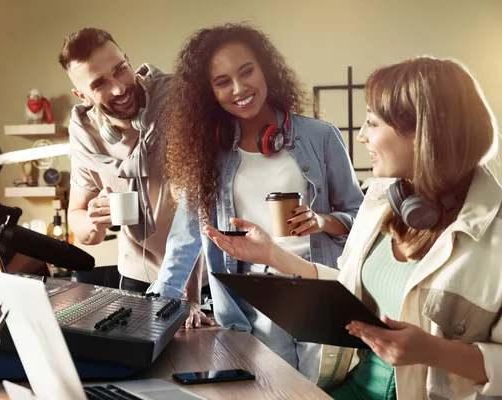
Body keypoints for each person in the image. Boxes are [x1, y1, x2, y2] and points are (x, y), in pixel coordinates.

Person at [205, 56, 502, 399]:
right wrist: (271, 254)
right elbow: (349, 293)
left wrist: (432, 351)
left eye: (373, 124)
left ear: (425, 133)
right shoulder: (381, 201)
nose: (361, 136)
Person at [147, 23, 364, 381]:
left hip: (318, 289)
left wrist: (322, 221)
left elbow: (359, 217)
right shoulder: (206, 156)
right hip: (252, 301)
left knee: (317, 391)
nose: (239, 89)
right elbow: (185, 240)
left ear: (266, 69)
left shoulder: (321, 137)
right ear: (209, 93)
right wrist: (160, 307)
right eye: (222, 82)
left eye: (247, 71)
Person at [58, 28, 205, 296]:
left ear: (127, 60)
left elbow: (201, 200)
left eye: (120, 70)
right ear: (82, 96)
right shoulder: (85, 137)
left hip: (204, 273)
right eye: (98, 84)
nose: (118, 88)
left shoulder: (180, 100)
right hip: (138, 276)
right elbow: (81, 226)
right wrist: (95, 218)